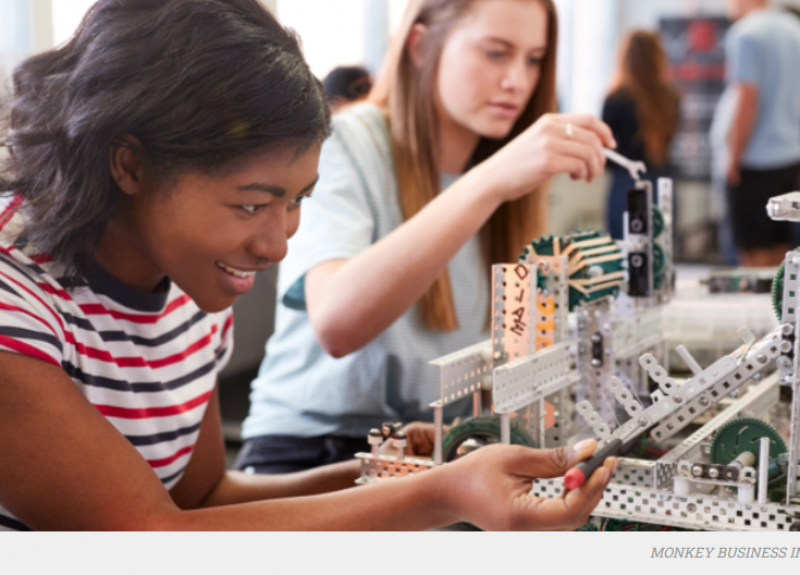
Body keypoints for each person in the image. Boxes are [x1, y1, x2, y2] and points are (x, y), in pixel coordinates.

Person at [0, 0, 615, 531]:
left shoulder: (191, 280)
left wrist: (403, 472)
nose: (277, 246)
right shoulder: (15, 299)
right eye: (250, 204)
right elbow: (145, 537)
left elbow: (204, 499)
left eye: (297, 202)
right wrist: (439, 493)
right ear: (130, 165)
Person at [238, 0, 617, 474]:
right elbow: (336, 322)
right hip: (313, 454)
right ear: (421, 45)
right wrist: (489, 182)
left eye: (534, 59)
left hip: (438, 453)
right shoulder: (344, 143)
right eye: (496, 53)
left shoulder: (509, 183)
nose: (518, 81)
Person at [720, 0, 800, 266]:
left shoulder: (746, 33)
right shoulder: (794, 28)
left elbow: (747, 101)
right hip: (791, 158)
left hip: (756, 161)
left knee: (753, 256)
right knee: (782, 251)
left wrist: (732, 158)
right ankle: (780, 307)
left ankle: (760, 308)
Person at [602, 31, 681, 240]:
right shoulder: (671, 97)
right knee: (660, 257)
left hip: (625, 186)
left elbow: (605, 150)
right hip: (663, 183)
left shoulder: (616, 98)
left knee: (625, 256)